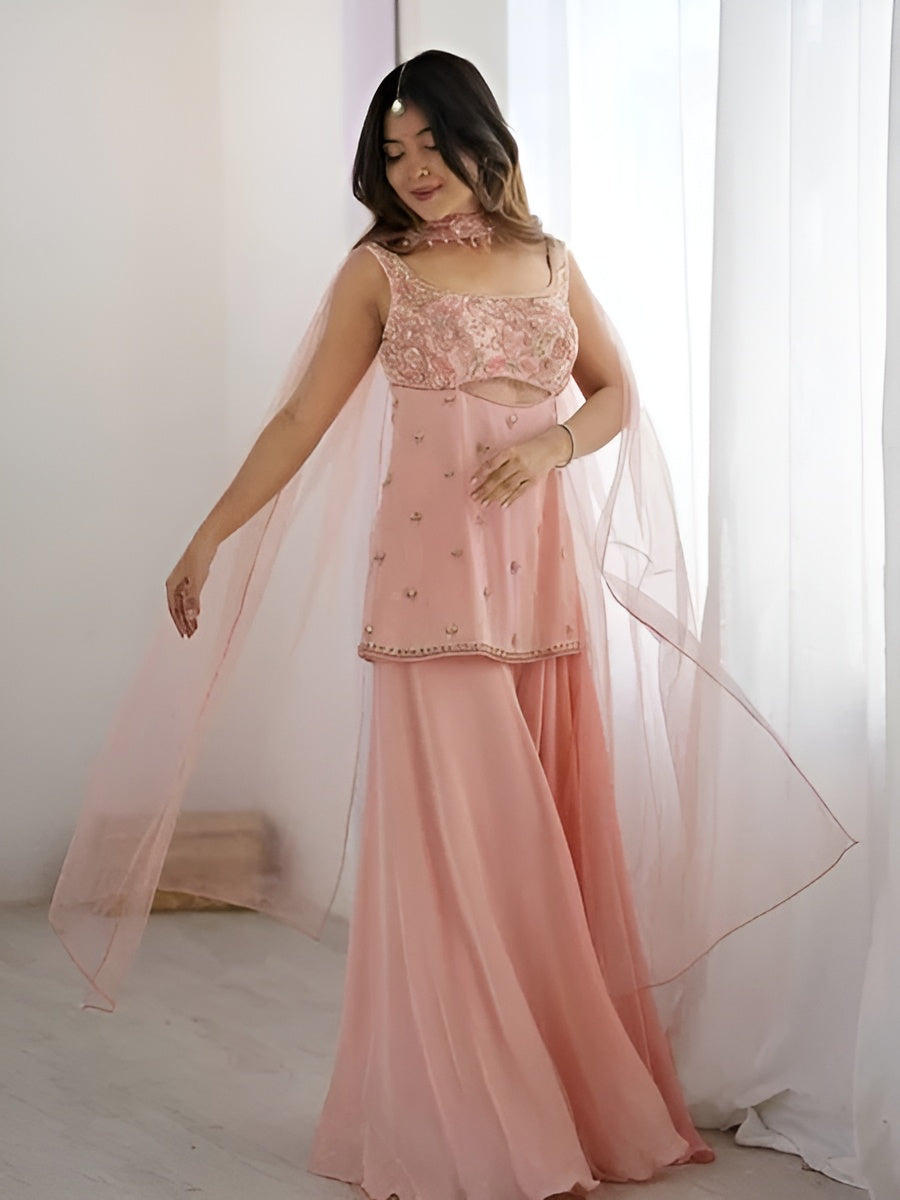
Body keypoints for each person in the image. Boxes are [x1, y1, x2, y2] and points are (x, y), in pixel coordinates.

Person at [50, 50, 855, 1200]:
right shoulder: (381, 273)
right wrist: (209, 534)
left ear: (483, 138)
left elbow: (617, 391)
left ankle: (556, 1103)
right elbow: (299, 420)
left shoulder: (552, 263)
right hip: (429, 604)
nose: (415, 170)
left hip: (541, 602)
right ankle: (485, 1121)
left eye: (431, 143)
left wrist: (550, 447)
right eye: (393, 153)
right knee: (473, 860)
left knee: (545, 859)